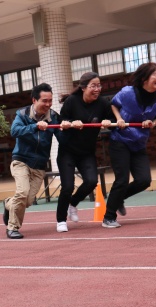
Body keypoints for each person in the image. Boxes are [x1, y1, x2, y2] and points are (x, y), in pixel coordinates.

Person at [102, 62, 156, 228]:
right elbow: (114, 104)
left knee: (144, 180)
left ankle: (119, 198)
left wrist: (152, 123)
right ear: (144, 78)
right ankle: (108, 217)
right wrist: (119, 119)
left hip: (139, 143)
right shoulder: (128, 92)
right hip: (120, 140)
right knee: (122, 179)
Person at [3, 83, 70, 239]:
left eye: (50, 101)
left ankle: (8, 204)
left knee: (26, 201)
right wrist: (35, 127)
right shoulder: (23, 114)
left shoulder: (53, 116)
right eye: (44, 101)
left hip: (39, 166)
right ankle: (12, 228)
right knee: (22, 193)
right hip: (21, 161)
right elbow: (15, 131)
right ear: (34, 100)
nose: (48, 104)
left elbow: (63, 140)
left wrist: (65, 129)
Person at [56, 72, 114, 232]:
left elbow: (112, 120)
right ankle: (60, 220)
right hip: (67, 151)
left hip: (86, 151)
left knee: (91, 181)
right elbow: (61, 120)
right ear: (83, 87)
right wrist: (70, 123)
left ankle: (73, 204)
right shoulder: (72, 101)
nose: (97, 89)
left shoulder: (103, 103)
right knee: (67, 186)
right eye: (93, 86)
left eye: (99, 85)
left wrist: (108, 122)